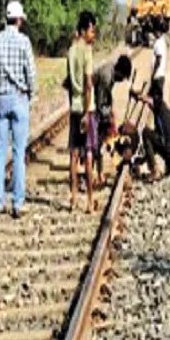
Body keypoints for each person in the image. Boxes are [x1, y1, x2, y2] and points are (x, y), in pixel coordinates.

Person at [0, 0, 37, 219]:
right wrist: (31, 93)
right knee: (18, 152)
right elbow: (31, 73)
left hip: (2, 98)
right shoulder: (24, 42)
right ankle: (17, 202)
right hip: (19, 97)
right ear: (18, 19)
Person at [67, 11, 98, 212]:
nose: (93, 34)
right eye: (92, 30)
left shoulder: (70, 50)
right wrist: (87, 112)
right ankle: (89, 200)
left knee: (73, 154)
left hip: (74, 107)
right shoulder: (87, 51)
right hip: (87, 108)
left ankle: (73, 199)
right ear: (85, 29)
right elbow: (88, 84)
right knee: (87, 153)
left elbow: (68, 83)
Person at [93, 54, 134, 185]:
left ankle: (98, 172)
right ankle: (94, 173)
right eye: (123, 78)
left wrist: (111, 112)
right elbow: (100, 103)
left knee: (100, 140)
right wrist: (110, 118)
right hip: (87, 103)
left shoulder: (111, 73)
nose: (121, 81)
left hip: (96, 104)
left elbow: (107, 98)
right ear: (120, 72)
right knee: (95, 141)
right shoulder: (106, 76)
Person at [142, 70, 170, 180]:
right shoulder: (165, 110)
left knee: (145, 133)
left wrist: (138, 96)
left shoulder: (158, 105)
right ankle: (169, 169)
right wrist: (143, 159)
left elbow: (148, 100)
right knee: (158, 136)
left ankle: (154, 171)